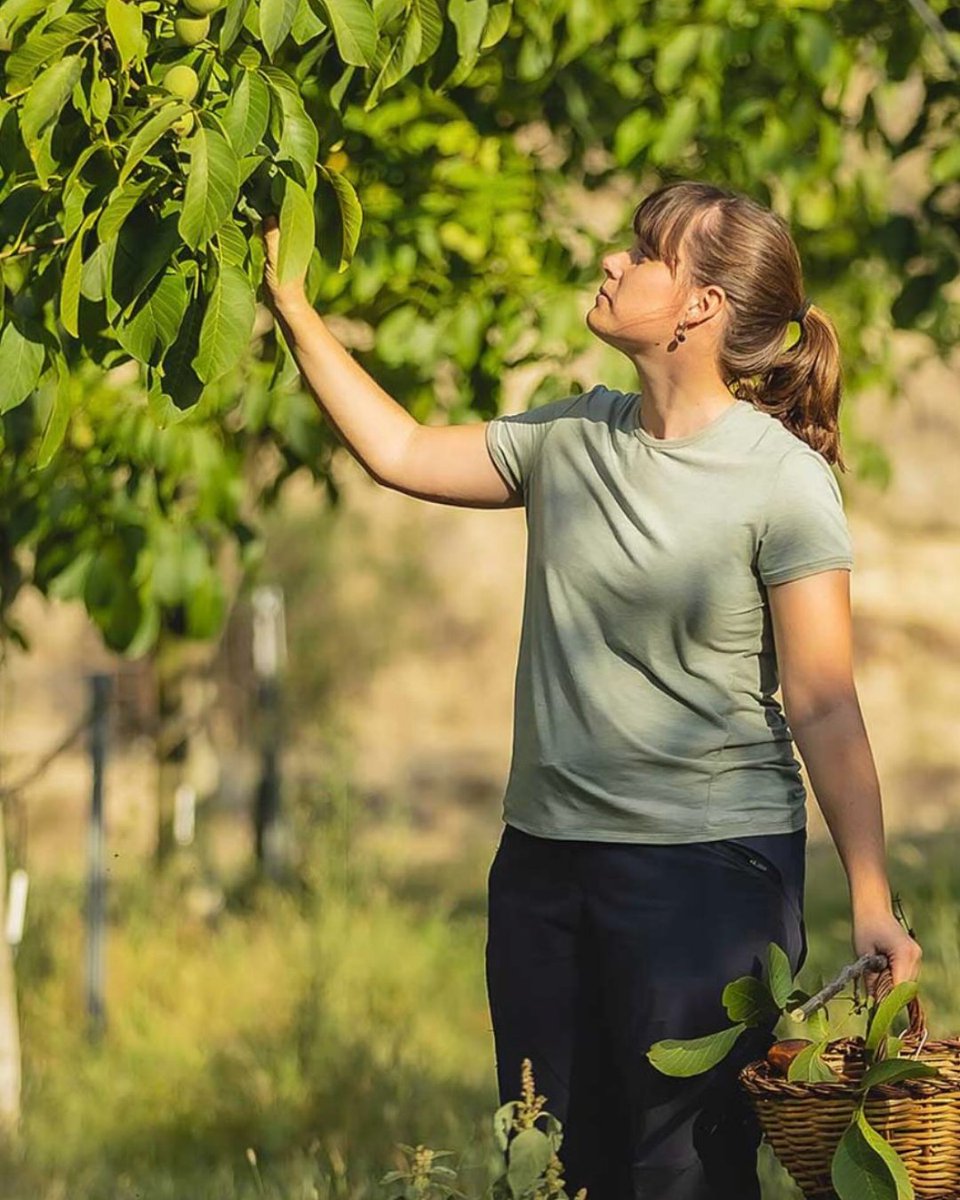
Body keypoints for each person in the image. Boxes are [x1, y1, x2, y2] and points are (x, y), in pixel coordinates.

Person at [260, 178, 923, 1200]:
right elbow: (399, 450)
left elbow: (825, 702)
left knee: (682, 1176)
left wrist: (870, 898)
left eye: (645, 252)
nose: (614, 262)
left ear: (700, 306)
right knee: (554, 1166)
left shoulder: (782, 482)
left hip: (708, 878)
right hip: (544, 869)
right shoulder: (567, 439)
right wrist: (293, 307)